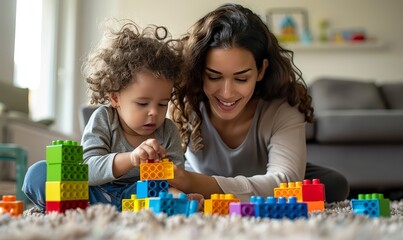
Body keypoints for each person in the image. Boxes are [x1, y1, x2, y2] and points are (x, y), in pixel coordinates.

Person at [168, 3, 349, 203]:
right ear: (199, 71)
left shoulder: (283, 106)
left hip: (235, 178)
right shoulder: (184, 101)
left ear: (261, 70)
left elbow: (285, 181)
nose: (227, 93)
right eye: (214, 77)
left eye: (241, 79)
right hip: (201, 176)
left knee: (333, 184)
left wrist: (195, 183)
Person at [22, 19, 185, 211]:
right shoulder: (104, 119)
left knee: (172, 193)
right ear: (115, 97)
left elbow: (177, 177)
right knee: (40, 173)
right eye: (142, 103)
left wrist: (181, 194)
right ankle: (66, 207)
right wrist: (131, 158)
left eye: (163, 104)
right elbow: (87, 169)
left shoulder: (168, 131)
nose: (154, 112)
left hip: (138, 195)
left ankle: (160, 207)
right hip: (92, 191)